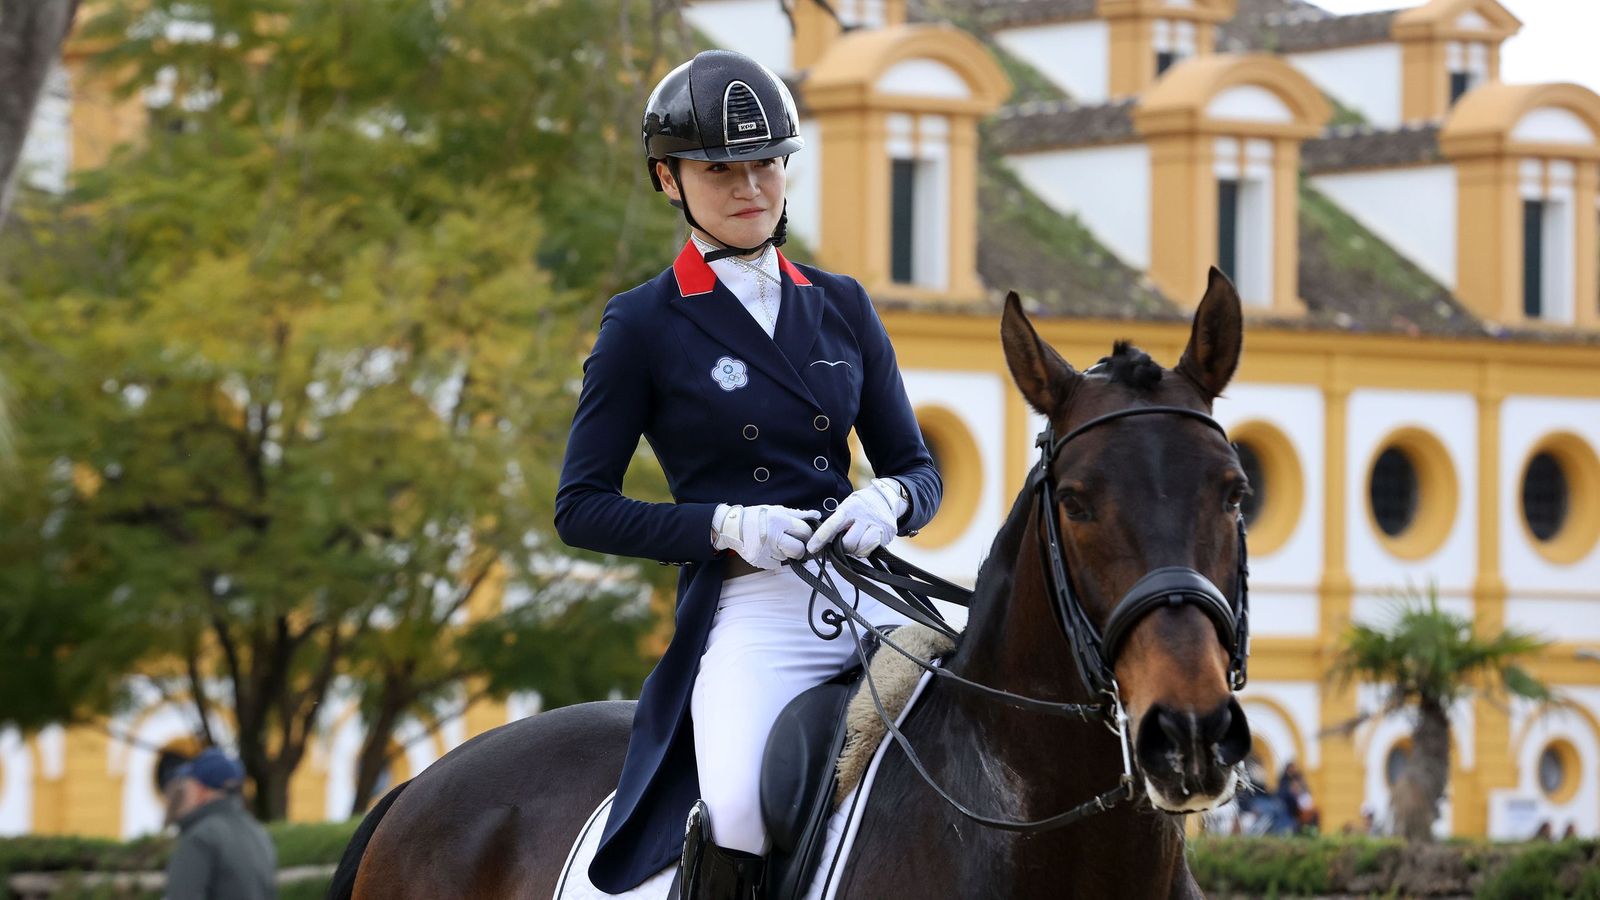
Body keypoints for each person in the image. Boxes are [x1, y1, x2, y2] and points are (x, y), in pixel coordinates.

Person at [554, 49, 941, 899]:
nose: (750, 187)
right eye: (720, 170)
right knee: (733, 808)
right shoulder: (643, 323)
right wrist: (725, 526)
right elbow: (580, 506)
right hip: (755, 606)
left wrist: (891, 499)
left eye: (766, 163)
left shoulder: (843, 304)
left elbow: (918, 467)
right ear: (668, 179)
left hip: (870, 589)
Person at [163, 748, 277, 900]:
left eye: (188, 786)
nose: (184, 793)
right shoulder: (259, 834)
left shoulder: (199, 837)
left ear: (200, 790)